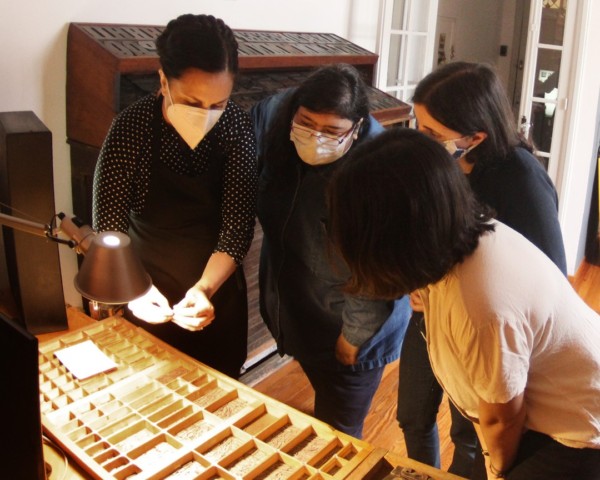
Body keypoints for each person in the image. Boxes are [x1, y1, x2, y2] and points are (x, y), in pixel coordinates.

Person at [328, 127, 600, 480]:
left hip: (577, 433)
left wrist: (497, 471)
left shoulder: (478, 303)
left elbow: (502, 418)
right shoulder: (468, 237)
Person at [396, 61, 567, 477]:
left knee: (469, 432)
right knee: (412, 415)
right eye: (417, 124)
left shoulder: (521, 179)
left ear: (475, 137)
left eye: (432, 133)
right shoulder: (444, 163)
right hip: (432, 314)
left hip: (485, 330)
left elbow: (550, 279)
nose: (421, 140)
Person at [92, 14, 257, 379]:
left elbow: (237, 228)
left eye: (218, 104)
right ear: (164, 81)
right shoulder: (131, 128)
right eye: (192, 102)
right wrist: (135, 290)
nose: (206, 116)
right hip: (143, 286)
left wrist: (203, 289)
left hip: (214, 294)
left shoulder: (236, 127)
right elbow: (108, 227)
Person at [250, 64, 411, 438]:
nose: (316, 138)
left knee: (339, 432)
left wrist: (354, 336)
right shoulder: (276, 118)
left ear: (356, 128)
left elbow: (380, 276)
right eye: (307, 124)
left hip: (354, 325)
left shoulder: (378, 174)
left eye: (332, 132)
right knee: (323, 408)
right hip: (302, 312)